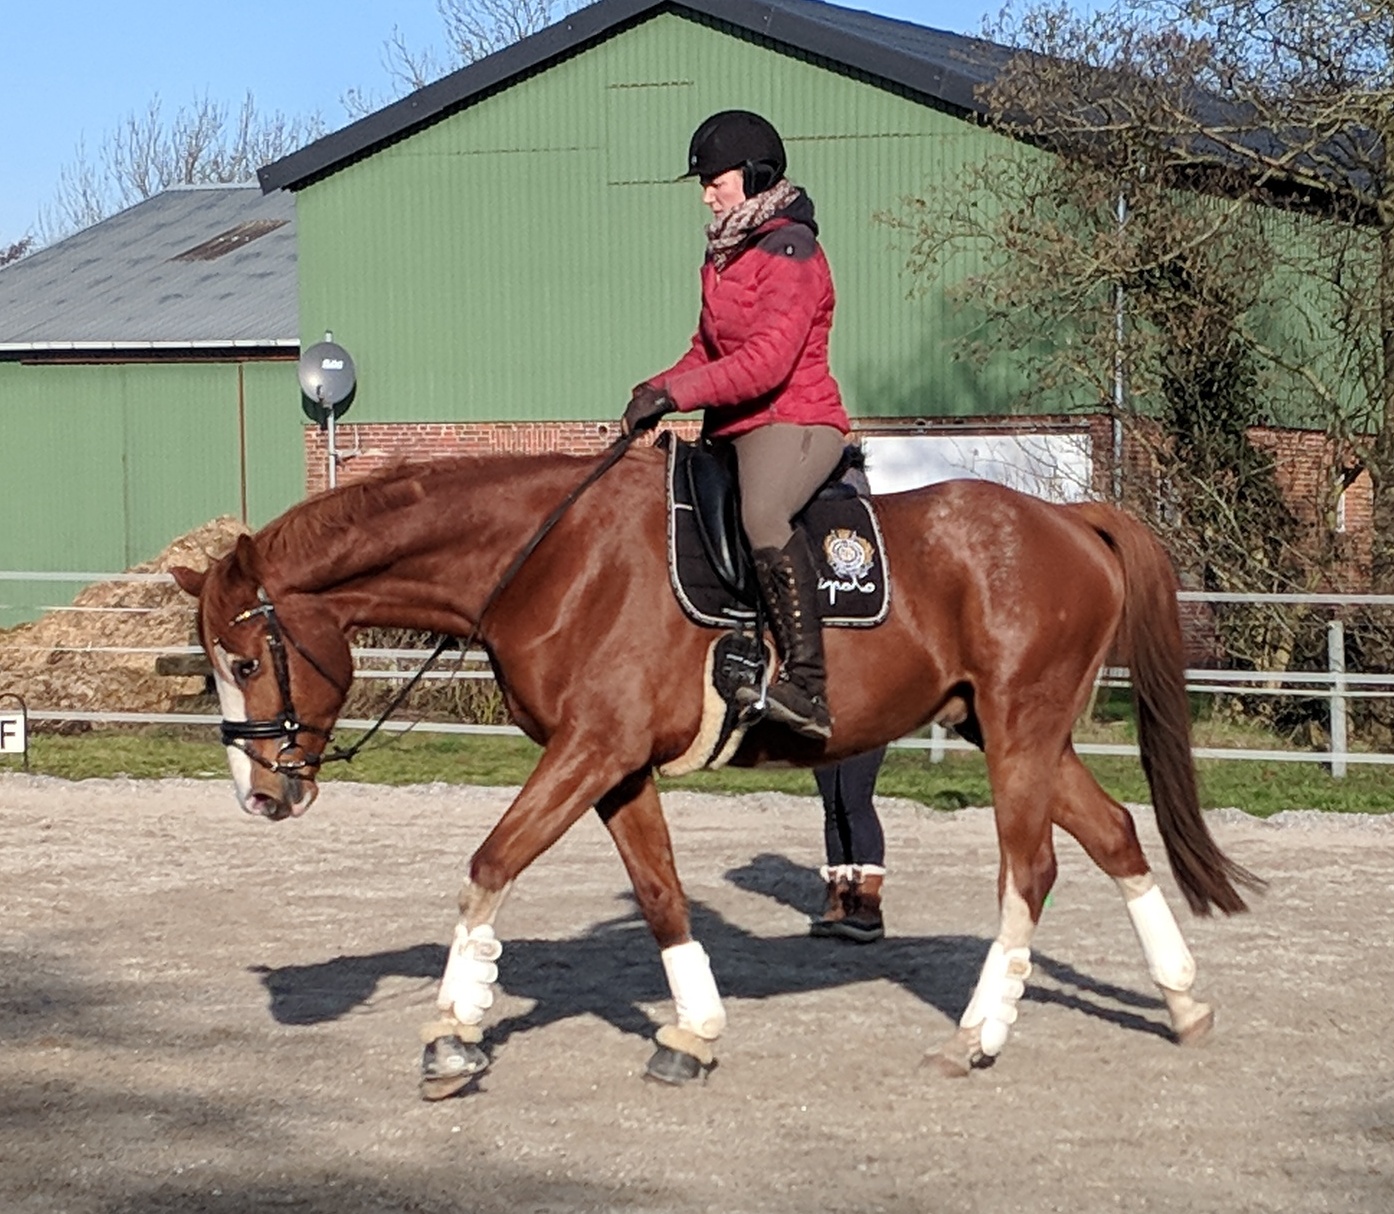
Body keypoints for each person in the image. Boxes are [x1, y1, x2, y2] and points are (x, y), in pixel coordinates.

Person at [621, 110, 851, 740]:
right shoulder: (727, 254)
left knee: (763, 515)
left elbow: (766, 364)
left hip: (794, 419)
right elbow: (709, 351)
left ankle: (807, 684)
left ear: (753, 175)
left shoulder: (791, 252)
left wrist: (676, 394)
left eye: (714, 179)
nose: (706, 192)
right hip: (735, 424)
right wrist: (653, 386)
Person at [810, 744, 888, 942]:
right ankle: (842, 899)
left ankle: (867, 902)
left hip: (865, 724)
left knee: (855, 799)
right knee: (833, 805)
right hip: (828, 727)